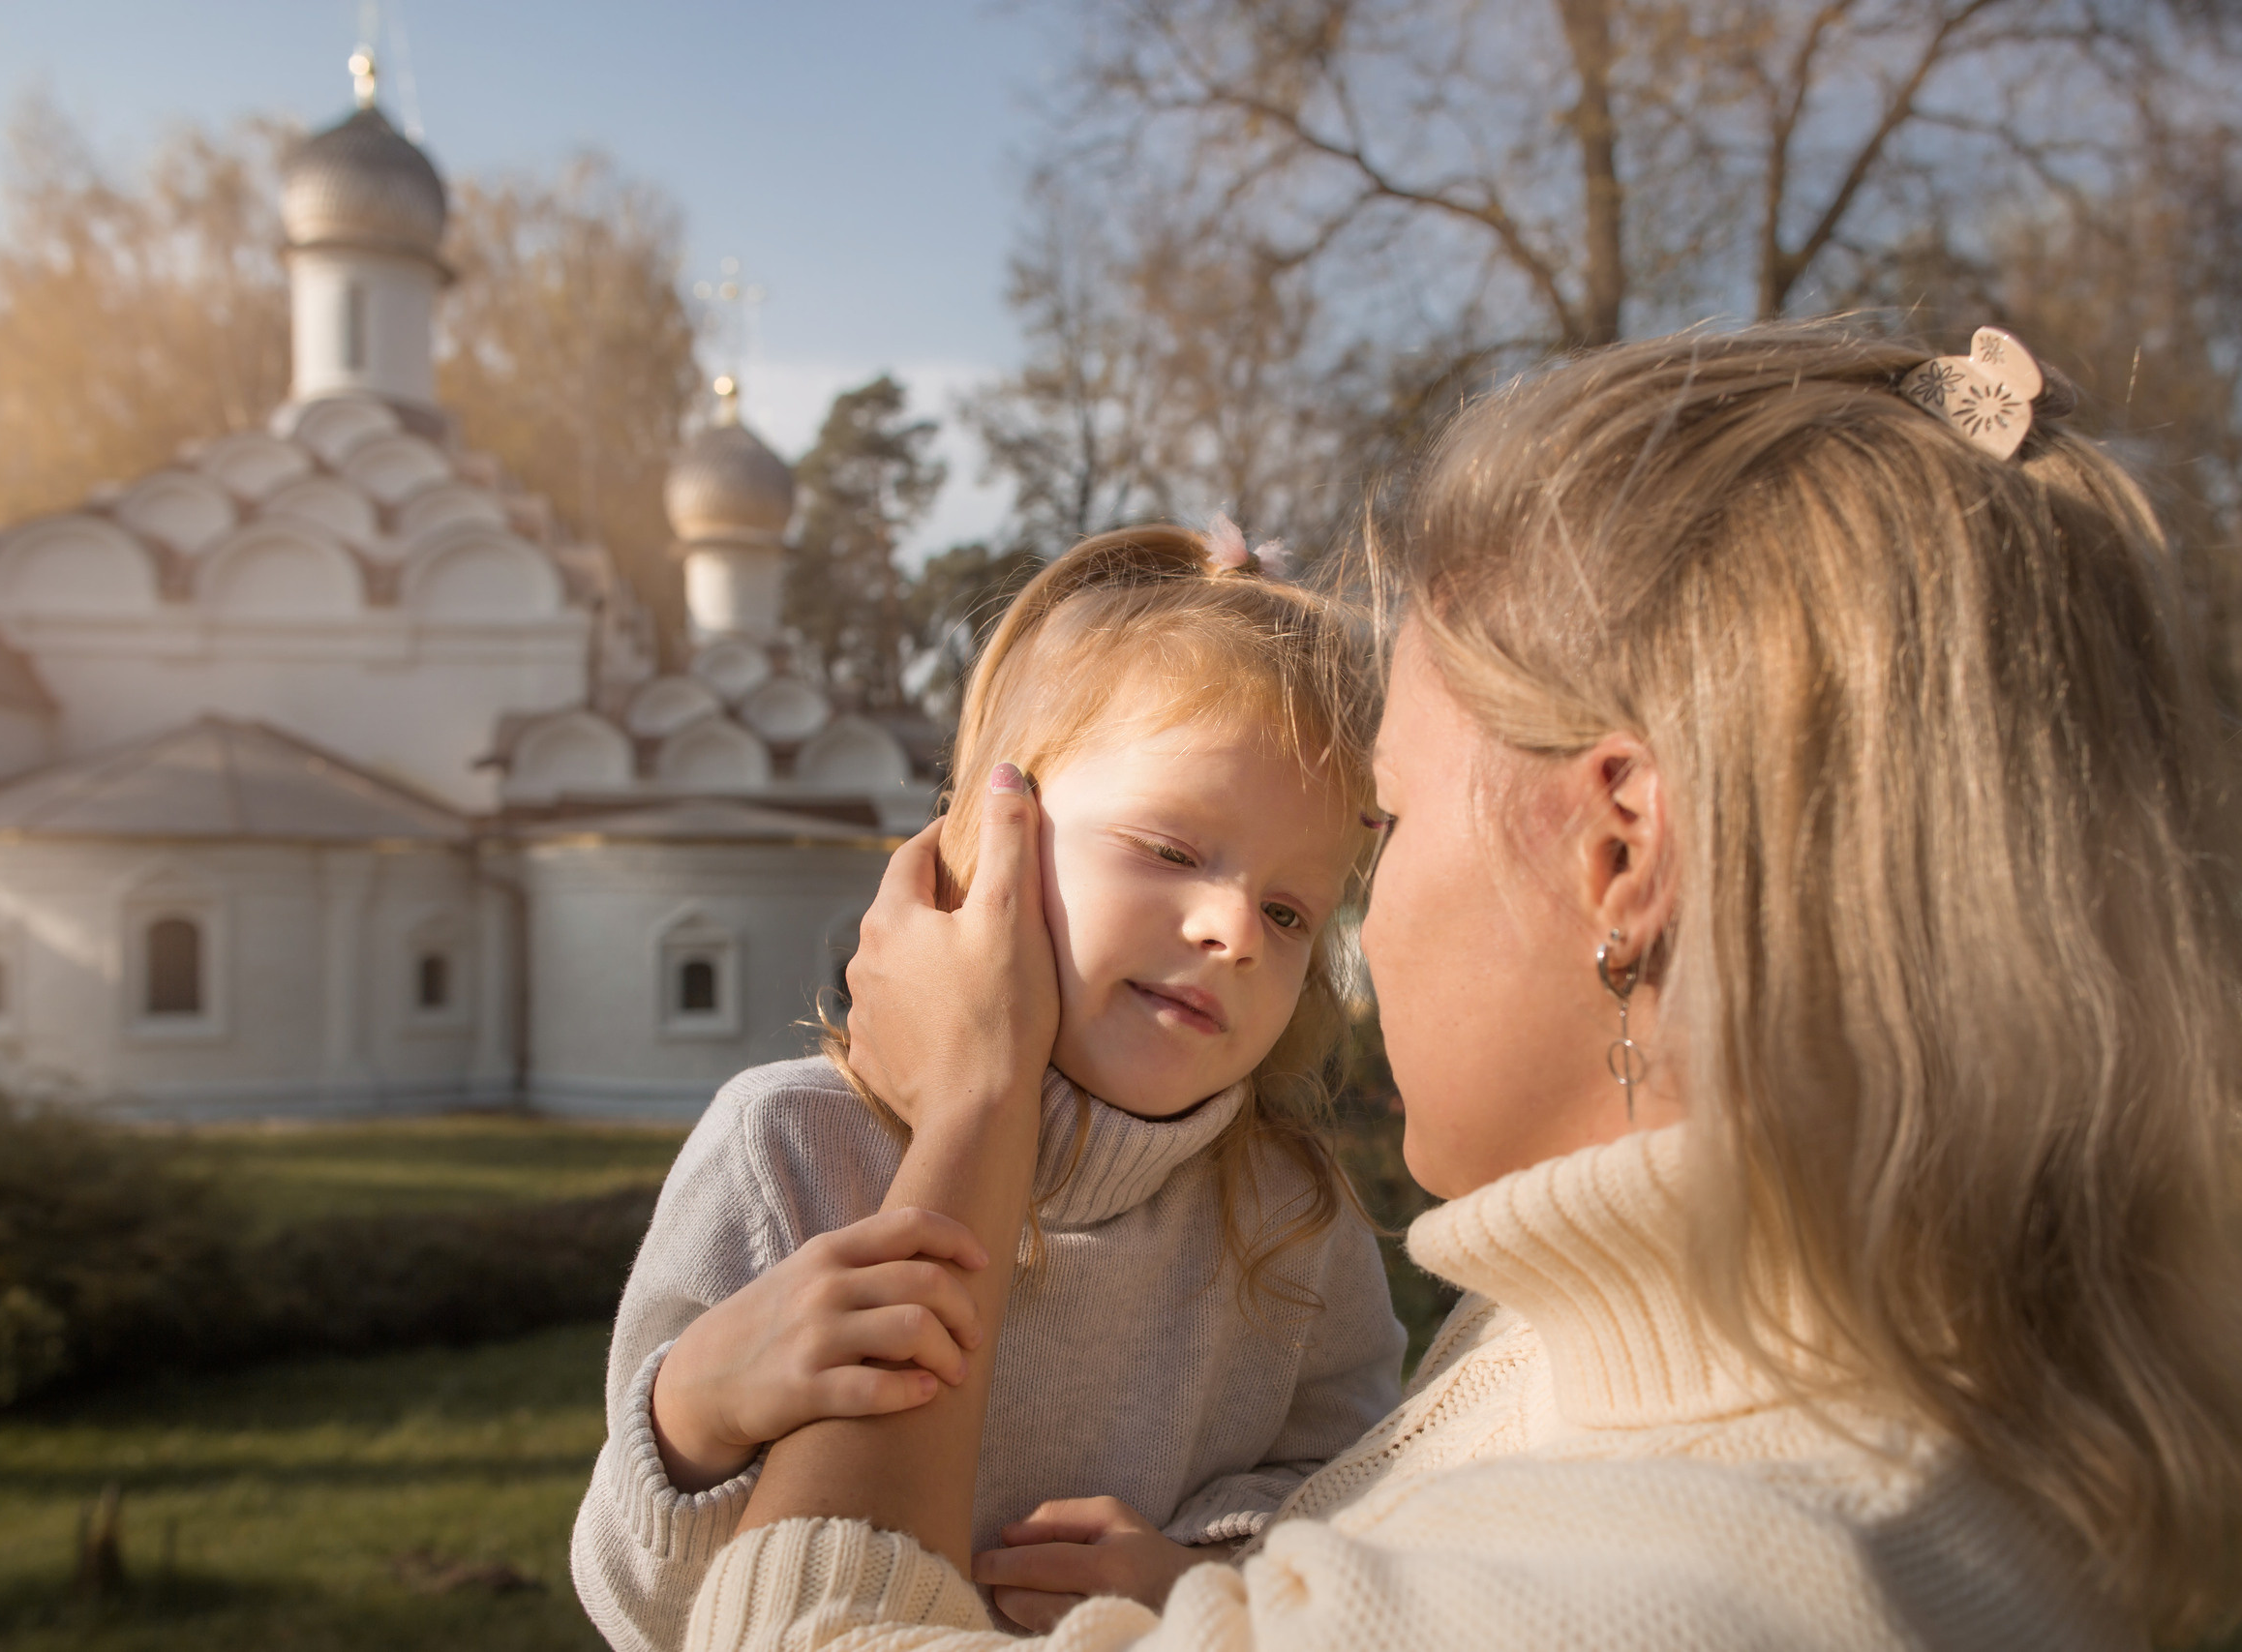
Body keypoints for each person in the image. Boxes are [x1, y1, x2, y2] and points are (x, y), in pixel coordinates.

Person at [677, 324, 2242, 1650]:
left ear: (1621, 850)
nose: (1313, 933)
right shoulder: (1609, 1359)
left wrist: (973, 1100)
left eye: (1384, 827)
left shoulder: (1702, 1579)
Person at [571, 527, 1408, 1652]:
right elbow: (637, 1613)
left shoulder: (1290, 1222)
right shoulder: (791, 1149)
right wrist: (693, 1416)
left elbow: (1352, 1502)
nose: (1232, 931)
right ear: (993, 836)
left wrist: (1199, 1577)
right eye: (1170, 849)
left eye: (1291, 911)